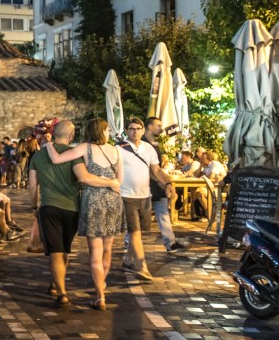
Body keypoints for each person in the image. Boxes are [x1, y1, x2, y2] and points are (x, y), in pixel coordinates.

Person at [31, 120, 120, 305]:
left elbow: (33, 186)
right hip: (73, 207)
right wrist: (110, 182)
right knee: (65, 249)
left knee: (56, 251)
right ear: (71, 136)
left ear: (54, 134)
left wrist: (34, 206)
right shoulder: (77, 155)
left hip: (49, 207)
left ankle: (61, 291)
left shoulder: (38, 156)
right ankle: (86, 288)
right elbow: (84, 177)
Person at [118, 117, 176, 280]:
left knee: (139, 232)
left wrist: (168, 183)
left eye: (138, 128)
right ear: (127, 131)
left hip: (145, 196)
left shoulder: (149, 148)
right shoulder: (120, 148)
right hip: (126, 196)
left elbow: (156, 170)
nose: (135, 131)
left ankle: (128, 261)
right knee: (135, 232)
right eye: (131, 128)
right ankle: (141, 267)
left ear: (143, 130)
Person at [144, 117, 185, 254]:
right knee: (140, 215)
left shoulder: (154, 143)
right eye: (158, 125)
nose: (161, 128)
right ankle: (129, 241)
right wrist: (162, 181)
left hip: (156, 184)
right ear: (150, 126)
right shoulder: (144, 144)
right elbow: (149, 168)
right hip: (147, 184)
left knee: (162, 213)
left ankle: (170, 242)